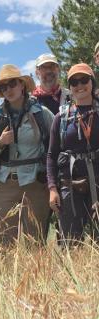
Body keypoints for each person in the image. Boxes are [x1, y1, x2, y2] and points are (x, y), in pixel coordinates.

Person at [0, 64, 54, 245]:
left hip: (36, 184)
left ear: (22, 85)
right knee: (6, 245)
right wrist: (0, 142)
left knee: (36, 243)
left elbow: (55, 147)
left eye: (12, 83)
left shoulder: (41, 113)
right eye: (3, 87)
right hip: (4, 185)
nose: (8, 90)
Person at [47, 63, 99, 243]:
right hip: (69, 186)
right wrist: (53, 189)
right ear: (69, 87)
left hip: (98, 184)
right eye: (74, 82)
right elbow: (51, 156)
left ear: (92, 82)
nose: (79, 85)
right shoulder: (61, 117)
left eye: (84, 80)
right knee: (70, 242)